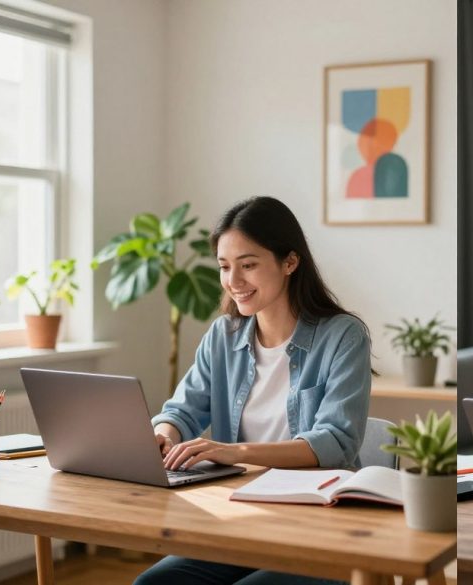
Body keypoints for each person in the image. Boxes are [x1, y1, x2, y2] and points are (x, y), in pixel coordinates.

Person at [134, 196, 370, 585]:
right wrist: (163, 436)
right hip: (242, 517)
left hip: (319, 525)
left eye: (248, 265)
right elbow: (183, 409)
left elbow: (335, 441)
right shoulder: (223, 336)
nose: (233, 281)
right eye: (225, 267)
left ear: (290, 262)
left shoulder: (343, 336)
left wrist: (233, 453)